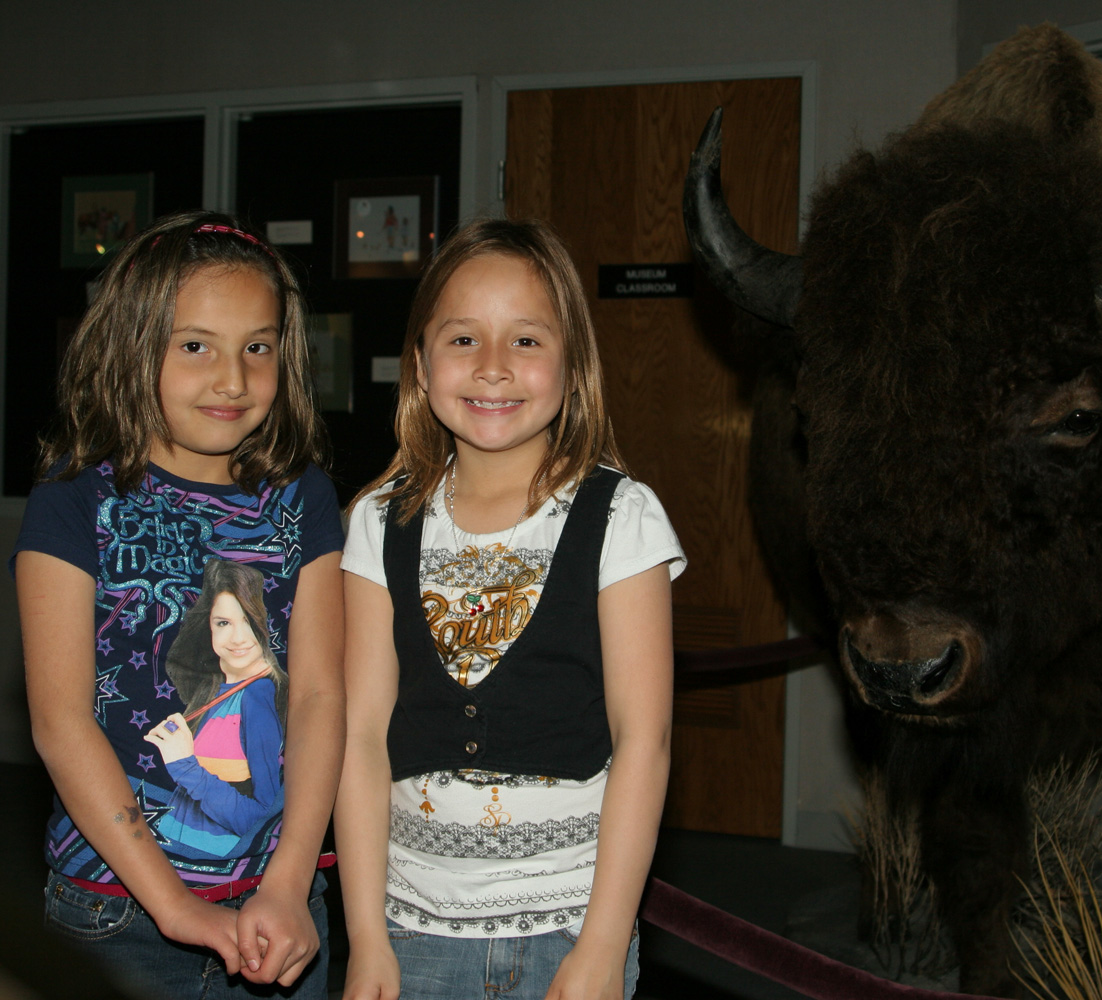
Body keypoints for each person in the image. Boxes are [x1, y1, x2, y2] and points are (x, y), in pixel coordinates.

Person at [336, 218, 684, 1000]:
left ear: (572, 364)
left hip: (568, 932)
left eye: (526, 341)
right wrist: (365, 939)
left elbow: (644, 744)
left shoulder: (622, 519)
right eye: (463, 339)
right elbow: (359, 739)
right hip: (412, 933)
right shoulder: (375, 522)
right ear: (420, 364)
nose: (493, 368)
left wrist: (601, 947)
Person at [14, 210, 345, 998]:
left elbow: (325, 694)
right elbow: (61, 721)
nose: (232, 378)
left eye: (256, 347)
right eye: (195, 345)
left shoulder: (305, 498)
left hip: (282, 908)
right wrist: (173, 906)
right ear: (134, 347)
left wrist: (290, 880)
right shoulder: (74, 498)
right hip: (118, 914)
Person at [145, 558, 290, 858]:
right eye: (223, 623)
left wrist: (185, 765)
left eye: (248, 621)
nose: (238, 638)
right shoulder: (215, 691)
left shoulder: (257, 696)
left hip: (222, 874)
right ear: (207, 625)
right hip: (177, 862)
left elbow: (260, 819)